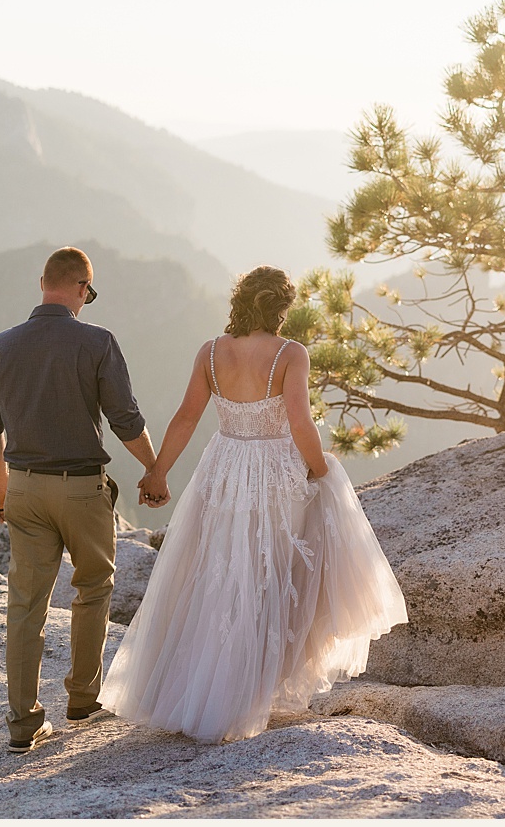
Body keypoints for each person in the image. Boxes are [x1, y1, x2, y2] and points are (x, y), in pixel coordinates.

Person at [96, 266, 408, 743]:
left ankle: (200, 693)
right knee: (269, 575)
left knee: (214, 575)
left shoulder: (211, 352)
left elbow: (185, 417)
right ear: (282, 309)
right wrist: (321, 471)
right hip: (273, 473)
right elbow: (302, 425)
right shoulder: (290, 354)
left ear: (239, 301)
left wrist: (158, 471)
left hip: (222, 468)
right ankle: (245, 696)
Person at [0, 246, 162, 754]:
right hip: (82, 489)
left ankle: (22, 722)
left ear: (42, 282)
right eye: (89, 291)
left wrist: (1, 486)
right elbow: (124, 418)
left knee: (26, 605)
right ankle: (82, 698)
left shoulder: (0, 345)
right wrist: (153, 468)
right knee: (95, 588)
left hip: (25, 487)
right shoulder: (97, 342)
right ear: (81, 287)